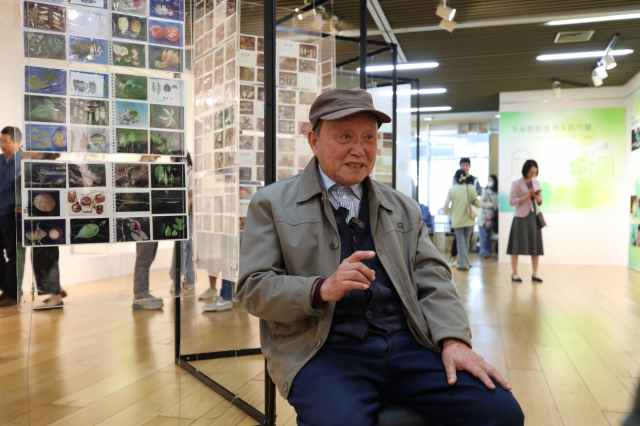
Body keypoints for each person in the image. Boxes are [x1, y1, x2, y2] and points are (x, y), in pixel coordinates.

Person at [238, 89, 523, 426]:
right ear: (314, 140)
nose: (359, 149)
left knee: (500, 413)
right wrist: (321, 289)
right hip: (322, 351)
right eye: (345, 137)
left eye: (369, 138)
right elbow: (253, 288)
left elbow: (433, 277)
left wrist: (454, 339)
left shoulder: (402, 207)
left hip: (407, 343)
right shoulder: (272, 204)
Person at [0, 126, 25, 307]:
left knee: (14, 254)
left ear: (17, 143)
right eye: (1, 141)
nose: (2, 145)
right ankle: (5, 289)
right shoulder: (0, 160)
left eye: (5, 141)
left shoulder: (25, 161)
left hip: (13, 215)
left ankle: (13, 293)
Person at [508, 159, 544, 284]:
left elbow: (540, 202)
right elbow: (512, 202)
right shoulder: (516, 183)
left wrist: (538, 198)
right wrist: (527, 196)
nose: (533, 175)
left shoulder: (537, 183)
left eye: (535, 172)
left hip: (534, 217)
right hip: (520, 217)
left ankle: (535, 273)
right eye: (531, 172)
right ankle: (514, 273)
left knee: (536, 247)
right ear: (526, 170)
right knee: (516, 247)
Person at [445, 170, 481, 271]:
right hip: (469, 219)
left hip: (457, 220)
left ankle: (463, 264)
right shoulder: (471, 188)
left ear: (456, 178)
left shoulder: (452, 189)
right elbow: (478, 203)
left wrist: (450, 212)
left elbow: (446, 206)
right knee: (466, 242)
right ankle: (465, 262)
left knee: (460, 242)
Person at [170, 153, 195, 294]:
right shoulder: (177, 171)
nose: (171, 161)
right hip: (180, 214)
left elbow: (190, 196)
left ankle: (181, 280)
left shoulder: (189, 172)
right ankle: (184, 280)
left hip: (186, 215)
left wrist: (184, 214)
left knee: (184, 247)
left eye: (172, 158)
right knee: (183, 246)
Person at [478, 174, 499, 259]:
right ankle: (484, 253)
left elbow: (497, 204)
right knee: (483, 237)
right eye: (488, 180)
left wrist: (495, 206)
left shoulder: (497, 192)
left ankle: (488, 253)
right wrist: (491, 205)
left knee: (488, 237)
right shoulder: (485, 191)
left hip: (492, 217)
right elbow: (480, 203)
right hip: (484, 217)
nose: (489, 182)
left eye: (491, 180)